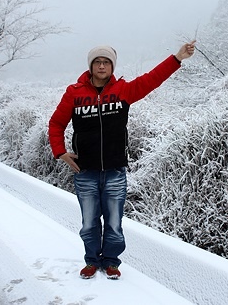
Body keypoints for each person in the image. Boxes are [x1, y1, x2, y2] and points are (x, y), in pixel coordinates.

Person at [48, 41, 196, 280]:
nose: (102, 65)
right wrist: (61, 152)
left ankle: (111, 262)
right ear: (91, 66)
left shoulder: (123, 91)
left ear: (112, 66)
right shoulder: (74, 93)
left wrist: (177, 58)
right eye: (98, 62)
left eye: (106, 62)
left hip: (115, 170)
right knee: (89, 223)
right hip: (85, 171)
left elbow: (152, 79)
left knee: (114, 223)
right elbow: (56, 123)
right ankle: (91, 261)